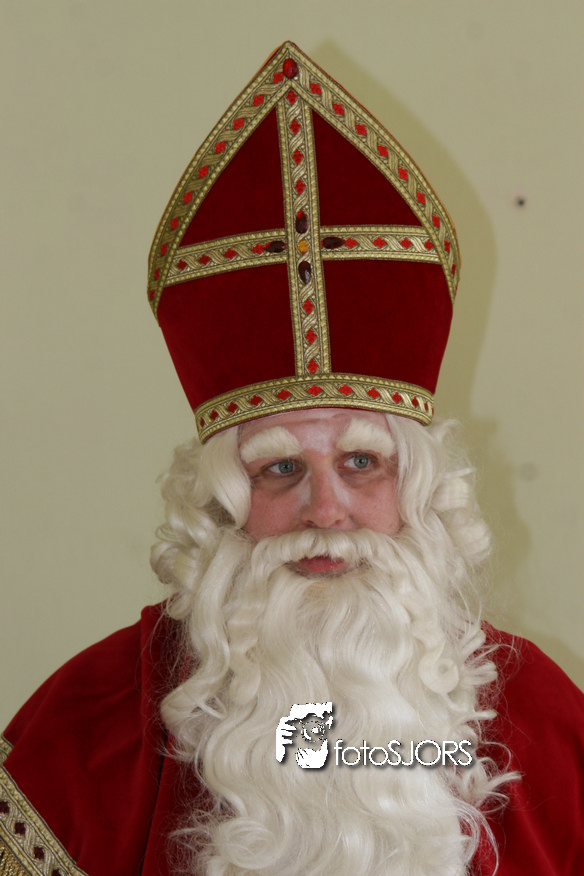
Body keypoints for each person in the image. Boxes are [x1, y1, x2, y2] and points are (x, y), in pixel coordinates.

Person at [1, 41, 582, 876]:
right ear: (221, 502)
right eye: (280, 470)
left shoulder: (547, 726)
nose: (326, 512)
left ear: (419, 488)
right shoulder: (89, 736)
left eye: (361, 463)